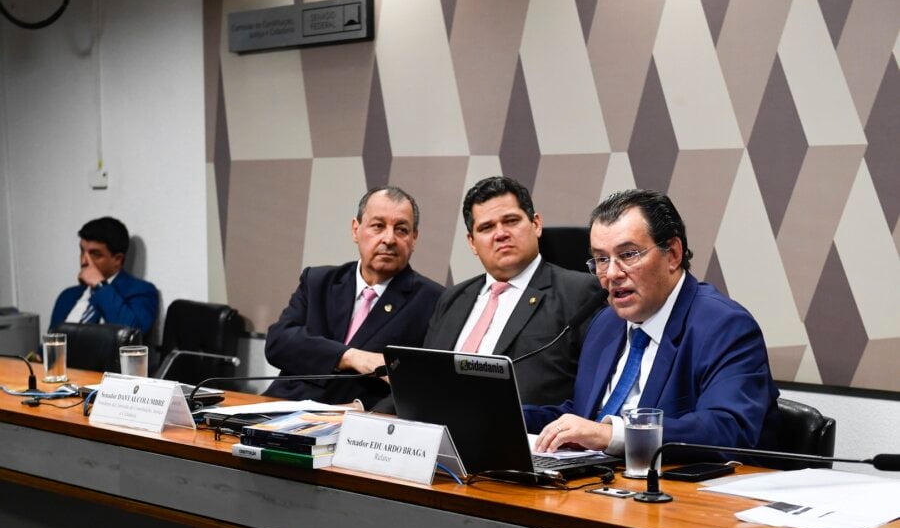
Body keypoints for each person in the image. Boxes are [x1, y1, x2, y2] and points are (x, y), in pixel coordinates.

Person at [529, 189, 779, 455]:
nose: (612, 273)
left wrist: (610, 435)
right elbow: (585, 415)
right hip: (598, 484)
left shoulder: (725, 327)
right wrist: (503, 415)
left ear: (672, 254)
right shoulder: (606, 324)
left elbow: (728, 428)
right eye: (602, 259)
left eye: (628, 255)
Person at [422, 176, 603, 407]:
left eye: (511, 221)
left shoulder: (581, 293)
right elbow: (424, 377)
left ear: (536, 224)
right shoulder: (452, 298)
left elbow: (595, 391)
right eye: (486, 227)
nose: (500, 234)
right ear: (471, 242)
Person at [265, 186, 443, 408]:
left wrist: (364, 409)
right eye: (378, 226)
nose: (389, 239)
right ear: (355, 230)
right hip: (283, 406)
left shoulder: (434, 301)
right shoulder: (319, 280)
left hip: (358, 423)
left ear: (414, 238)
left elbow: (426, 383)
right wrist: (352, 357)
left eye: (401, 230)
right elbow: (279, 343)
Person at [49, 217, 159, 336]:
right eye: (82, 251)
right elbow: (48, 346)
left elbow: (132, 336)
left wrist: (100, 285)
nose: (83, 261)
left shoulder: (141, 291)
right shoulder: (68, 296)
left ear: (117, 260)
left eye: (95, 254)